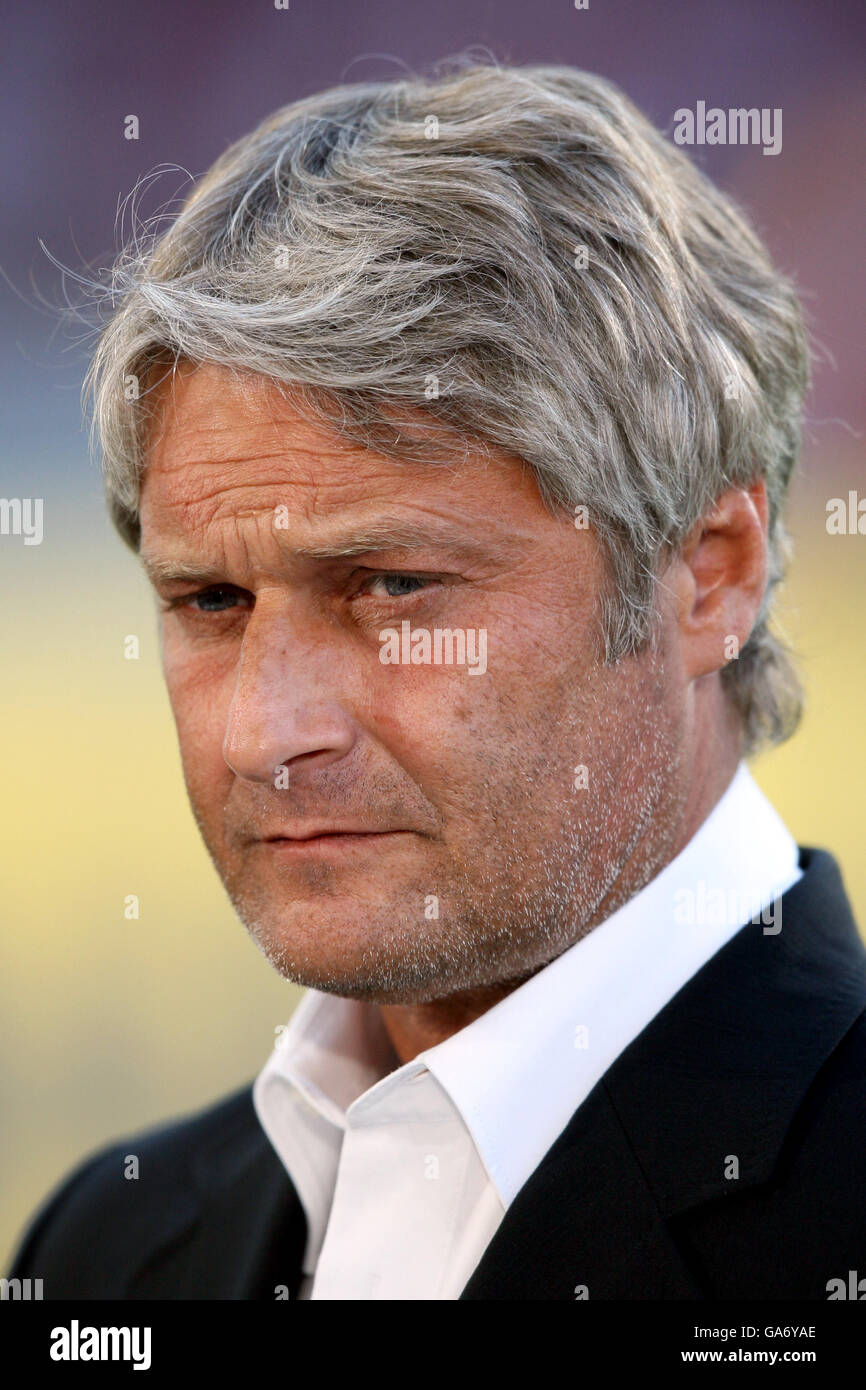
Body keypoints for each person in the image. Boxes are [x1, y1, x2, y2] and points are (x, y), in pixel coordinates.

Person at [9, 59, 866, 1301]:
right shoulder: (105, 1253)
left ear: (707, 577)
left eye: (391, 588)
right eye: (211, 601)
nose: (266, 731)